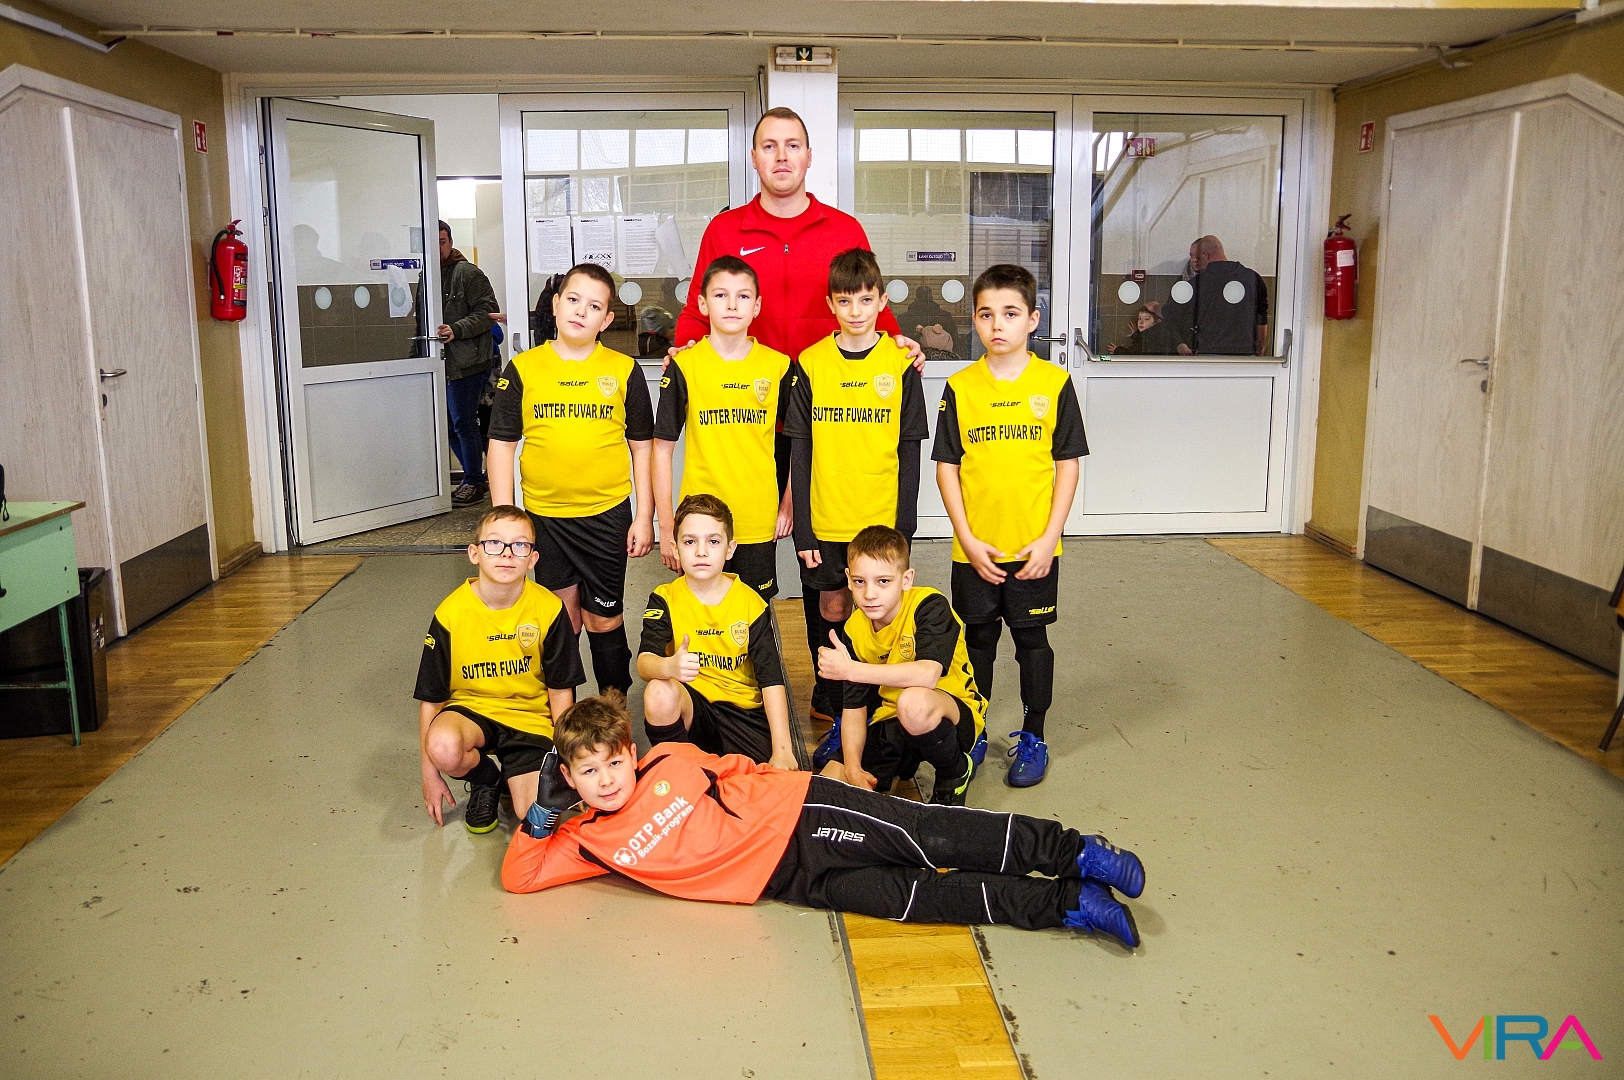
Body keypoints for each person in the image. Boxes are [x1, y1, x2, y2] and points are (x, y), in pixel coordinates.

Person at [500, 693, 1145, 948]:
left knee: (929, 838)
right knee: (915, 900)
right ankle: (1069, 905)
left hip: (802, 816)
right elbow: (519, 878)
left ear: (630, 751)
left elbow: (739, 768)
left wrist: (793, 788)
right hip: (787, 882)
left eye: (614, 762)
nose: (607, 780)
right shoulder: (585, 841)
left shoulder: (670, 759)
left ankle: (1076, 852)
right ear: (569, 777)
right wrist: (542, 815)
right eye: (588, 772)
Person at [935, 264, 1088, 788]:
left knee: (1031, 640)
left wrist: (1049, 539)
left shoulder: (1054, 383)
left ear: (1032, 319)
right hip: (975, 549)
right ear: (974, 320)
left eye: (1010, 313)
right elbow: (947, 467)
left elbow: (1068, 464)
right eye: (985, 314)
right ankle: (975, 728)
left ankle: (1034, 734)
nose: (997, 324)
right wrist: (966, 538)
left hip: (1033, 548)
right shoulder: (960, 387)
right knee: (977, 640)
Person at [486, 263, 656, 698]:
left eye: (594, 306)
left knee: (604, 618)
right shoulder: (523, 369)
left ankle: (614, 710)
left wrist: (645, 517)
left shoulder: (624, 370)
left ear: (607, 319)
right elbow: (501, 445)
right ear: (557, 305)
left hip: (606, 518)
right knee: (562, 618)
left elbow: (642, 447)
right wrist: (505, 521)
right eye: (574, 300)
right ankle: (562, 715)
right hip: (546, 521)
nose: (582, 311)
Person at [784, 249, 930, 731]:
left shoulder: (901, 363)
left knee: (877, 610)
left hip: (881, 518)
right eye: (844, 301)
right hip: (827, 516)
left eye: (865, 300)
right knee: (831, 606)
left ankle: (870, 697)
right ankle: (830, 697)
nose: (855, 311)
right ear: (831, 304)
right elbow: (800, 450)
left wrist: (904, 525)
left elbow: (910, 449)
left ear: (882, 301)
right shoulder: (811, 363)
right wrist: (804, 530)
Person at [415, 506, 585, 834]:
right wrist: (429, 774)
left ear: (533, 559)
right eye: (494, 543)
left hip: (530, 719)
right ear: (474, 553)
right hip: (472, 713)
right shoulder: (450, 613)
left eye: (519, 545)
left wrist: (567, 759)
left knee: (534, 815)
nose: (506, 553)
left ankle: (515, 774)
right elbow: (431, 700)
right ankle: (487, 779)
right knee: (443, 747)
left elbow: (561, 691)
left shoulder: (549, 609)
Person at [814, 525, 987, 806]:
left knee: (913, 702)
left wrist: (850, 670)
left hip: (953, 713)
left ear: (906, 579)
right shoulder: (854, 629)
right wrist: (853, 767)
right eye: (860, 581)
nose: (870, 594)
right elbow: (854, 709)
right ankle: (901, 764)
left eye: (883, 581)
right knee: (827, 786)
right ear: (848, 580)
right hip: (891, 717)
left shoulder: (929, 605)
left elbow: (928, 675)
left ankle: (954, 772)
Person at [652, 256, 794, 599]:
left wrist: (788, 505)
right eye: (720, 295)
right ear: (703, 304)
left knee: (754, 614)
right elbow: (661, 449)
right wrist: (667, 525)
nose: (732, 305)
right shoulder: (684, 366)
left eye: (743, 296)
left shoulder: (778, 366)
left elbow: (802, 442)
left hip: (756, 517)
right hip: (698, 520)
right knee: (701, 613)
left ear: (757, 306)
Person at [637, 494, 798, 769]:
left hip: (743, 713)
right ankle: (680, 772)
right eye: (690, 542)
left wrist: (783, 750)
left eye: (713, 541)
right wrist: (668, 666)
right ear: (675, 549)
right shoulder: (664, 598)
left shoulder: (751, 604)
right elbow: (644, 663)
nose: (701, 552)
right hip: (695, 710)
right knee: (658, 691)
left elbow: (771, 679)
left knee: (763, 780)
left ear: (730, 549)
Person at [437, 221, 500, 508]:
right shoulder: (429, 276)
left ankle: (474, 481)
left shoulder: (467, 273)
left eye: (442, 242)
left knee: (464, 423)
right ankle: (473, 477)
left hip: (469, 362)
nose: (439, 248)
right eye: (433, 243)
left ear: (451, 242)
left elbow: (488, 312)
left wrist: (456, 329)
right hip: (440, 361)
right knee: (449, 424)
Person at [1185, 235, 1270, 356]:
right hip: (1245, 355)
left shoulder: (1197, 283)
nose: (1195, 261)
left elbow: (1177, 314)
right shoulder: (1252, 278)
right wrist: (1259, 351)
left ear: (1206, 255)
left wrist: (1158, 310)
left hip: (1208, 355)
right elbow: (1261, 318)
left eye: (1198, 257)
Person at [1107, 302, 1183, 356]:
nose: (1141, 322)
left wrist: (1117, 350)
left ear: (1156, 322)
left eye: (1146, 319)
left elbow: (1132, 354)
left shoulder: (1152, 338)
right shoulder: (1159, 334)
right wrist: (1136, 335)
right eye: (1139, 318)